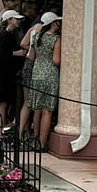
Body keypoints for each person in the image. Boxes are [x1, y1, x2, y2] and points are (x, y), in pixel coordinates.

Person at [28, 12, 62, 150]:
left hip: (36, 74)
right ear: (53, 23)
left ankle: (34, 139)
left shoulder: (36, 37)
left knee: (37, 109)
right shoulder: (56, 39)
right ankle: (42, 144)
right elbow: (56, 60)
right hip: (50, 76)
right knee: (47, 111)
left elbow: (31, 56)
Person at [0, 9, 24, 127]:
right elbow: (1, 55)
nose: (18, 21)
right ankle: (0, 133)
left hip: (4, 74)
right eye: (16, 19)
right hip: (3, 75)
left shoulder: (8, 35)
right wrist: (15, 53)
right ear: (9, 20)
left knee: (4, 104)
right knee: (3, 104)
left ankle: (1, 131)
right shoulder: (5, 35)